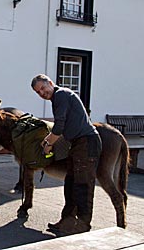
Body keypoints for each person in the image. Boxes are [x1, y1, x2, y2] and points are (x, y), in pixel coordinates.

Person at [31, 74, 102, 234]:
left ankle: (83, 226)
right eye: (38, 92)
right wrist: (47, 140)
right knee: (70, 184)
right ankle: (67, 222)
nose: (42, 93)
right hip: (77, 144)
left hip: (86, 142)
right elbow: (60, 125)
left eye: (42, 88)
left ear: (50, 82)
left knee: (83, 185)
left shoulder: (61, 95)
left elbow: (59, 126)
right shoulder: (58, 98)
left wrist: (48, 143)